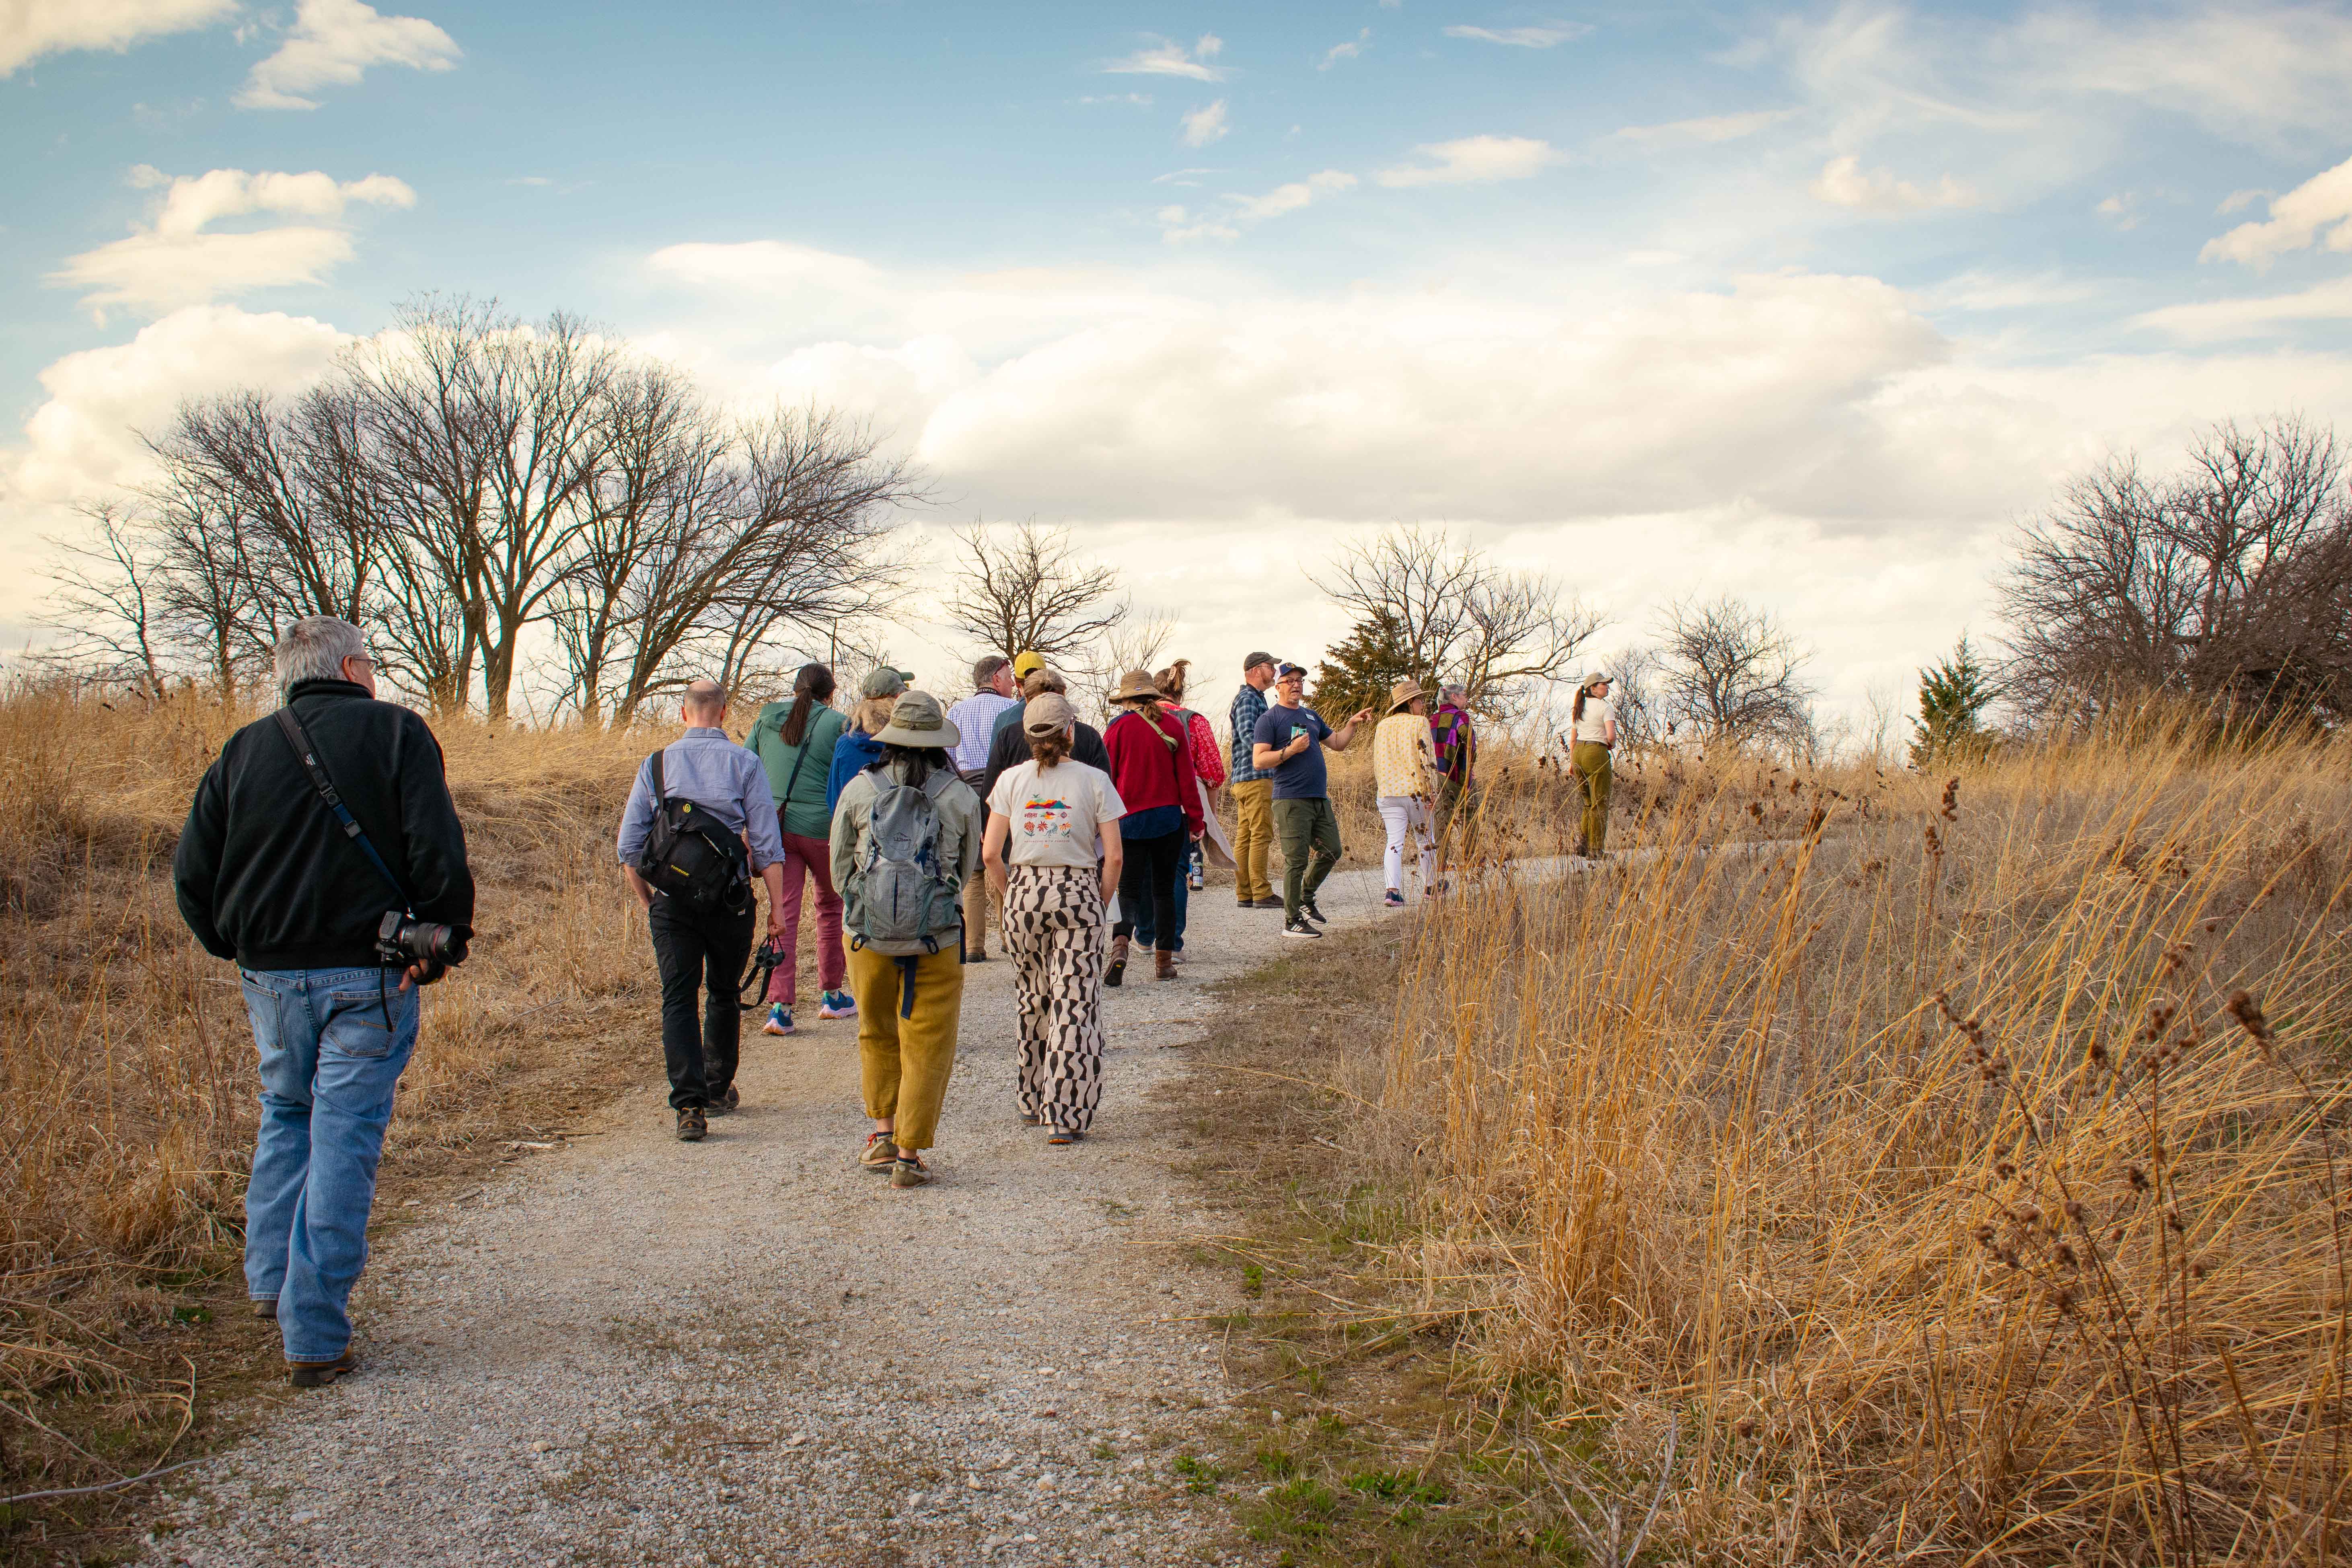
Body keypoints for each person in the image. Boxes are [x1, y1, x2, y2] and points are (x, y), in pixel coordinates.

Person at [174, 616, 476, 1388]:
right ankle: (312, 1331)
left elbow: (192, 870)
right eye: (371, 662)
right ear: (350, 665)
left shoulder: (244, 748)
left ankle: (271, 1284)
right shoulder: (397, 732)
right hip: (368, 971)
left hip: (269, 974)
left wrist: (232, 944)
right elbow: (436, 848)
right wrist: (440, 941)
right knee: (344, 1135)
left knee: (286, 1114)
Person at [618, 680, 791, 1143]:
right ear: (723, 712)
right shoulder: (745, 762)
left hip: (672, 903)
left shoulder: (655, 765)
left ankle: (689, 1106)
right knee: (723, 990)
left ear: (682, 713)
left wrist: (649, 902)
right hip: (730, 901)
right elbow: (768, 846)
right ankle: (717, 1086)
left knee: (677, 996)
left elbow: (629, 847)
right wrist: (777, 910)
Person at [832, 691, 984, 1190]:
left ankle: (880, 1134)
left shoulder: (859, 789)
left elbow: (839, 872)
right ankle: (909, 1154)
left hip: (868, 940)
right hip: (935, 940)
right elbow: (964, 873)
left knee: (875, 1031)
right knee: (928, 1043)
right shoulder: (960, 796)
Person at [982, 693, 1125, 1145]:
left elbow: (990, 853)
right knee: (1076, 1002)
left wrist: (1011, 895)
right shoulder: (1094, 779)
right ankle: (1064, 1114)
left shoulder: (1009, 780)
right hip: (1079, 888)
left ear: (1027, 736)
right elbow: (1115, 856)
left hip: (1024, 889)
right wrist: (1098, 903)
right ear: (1070, 732)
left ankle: (1031, 1097)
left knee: (1034, 995)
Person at [746, 663, 854, 1035]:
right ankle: (832, 995)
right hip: (823, 829)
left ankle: (780, 1007)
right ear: (830, 693)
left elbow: (748, 765)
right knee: (830, 907)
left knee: (784, 913)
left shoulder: (765, 718)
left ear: (794, 688)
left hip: (776, 830)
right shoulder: (839, 723)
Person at [1251, 663, 1373, 939]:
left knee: (1332, 850)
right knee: (1296, 860)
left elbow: (1339, 743)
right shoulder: (1269, 719)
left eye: (1300, 681)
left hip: (1319, 797)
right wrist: (1289, 751)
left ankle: (1306, 896)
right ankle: (1292, 921)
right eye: (1290, 680)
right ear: (1278, 687)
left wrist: (1352, 724)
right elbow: (1259, 760)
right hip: (1291, 799)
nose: (1296, 685)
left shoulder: (1310, 715)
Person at [1100, 668, 1204, 984]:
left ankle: (1120, 948)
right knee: (1164, 889)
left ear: (1127, 699)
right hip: (1168, 819)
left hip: (1128, 820)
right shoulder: (1173, 725)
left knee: (1129, 889)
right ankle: (1164, 963)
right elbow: (1187, 778)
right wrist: (1196, 820)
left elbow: (1106, 779)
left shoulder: (1116, 730)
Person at [1130, 660, 1227, 962]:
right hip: (1183, 807)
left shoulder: (1132, 720)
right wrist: (1208, 818)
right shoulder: (1195, 721)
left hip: (1140, 805)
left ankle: (1144, 936)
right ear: (1180, 694)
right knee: (1176, 872)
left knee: (1145, 872)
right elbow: (1212, 774)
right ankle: (1171, 942)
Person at [947, 655, 1019, 962]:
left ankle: (973, 945)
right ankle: (1008, 935)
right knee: (1008, 860)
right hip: (1001, 788)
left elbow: (948, 756)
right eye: (1009, 678)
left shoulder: (956, 710)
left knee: (974, 871)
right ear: (996, 679)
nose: (1015, 685)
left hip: (964, 788)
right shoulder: (1010, 711)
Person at [979, 666, 1112, 801]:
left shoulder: (1008, 736)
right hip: (1080, 817)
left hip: (1020, 818)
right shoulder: (1088, 735)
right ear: (1064, 694)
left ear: (1027, 699)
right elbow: (1105, 793)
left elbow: (990, 795)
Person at [1372, 678, 1440, 907]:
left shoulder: (1382, 726)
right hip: (1416, 791)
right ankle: (1431, 887)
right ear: (1411, 702)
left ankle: (1392, 892)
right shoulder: (1419, 722)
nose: (1423, 705)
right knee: (1425, 839)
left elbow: (1378, 762)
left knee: (1394, 841)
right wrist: (1432, 791)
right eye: (1420, 700)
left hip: (1389, 792)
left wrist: (1383, 786)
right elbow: (1427, 759)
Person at [1226, 652, 1281, 910]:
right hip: (1256, 776)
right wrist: (1279, 752)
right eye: (1271, 667)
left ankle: (1245, 893)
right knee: (1260, 834)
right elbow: (1251, 737)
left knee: (1246, 836)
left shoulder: (1253, 698)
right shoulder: (1249, 699)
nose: (1274, 671)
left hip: (1244, 777)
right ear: (1257, 670)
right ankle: (1261, 892)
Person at [826, 666, 912, 813]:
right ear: (898, 699)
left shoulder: (845, 742)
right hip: (902, 829)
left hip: (858, 827)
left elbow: (834, 800)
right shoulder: (908, 742)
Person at [1429, 681, 1478, 887]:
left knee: (1442, 818)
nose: (1467, 698)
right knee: (1470, 813)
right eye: (1464, 695)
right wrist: (1470, 766)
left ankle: (1440, 862)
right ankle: (1471, 859)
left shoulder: (1430, 720)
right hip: (1458, 775)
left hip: (1436, 774)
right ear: (1454, 698)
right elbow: (1471, 743)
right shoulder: (1461, 717)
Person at [1568, 672, 1618, 857]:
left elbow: (1573, 740)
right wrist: (1609, 745)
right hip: (1596, 752)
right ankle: (1596, 850)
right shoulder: (1606, 707)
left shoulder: (1579, 707)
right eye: (1603, 684)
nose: (1607, 687)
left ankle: (1583, 846)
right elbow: (1611, 737)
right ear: (1593, 688)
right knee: (1600, 802)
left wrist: (1573, 762)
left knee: (1588, 802)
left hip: (1579, 753)